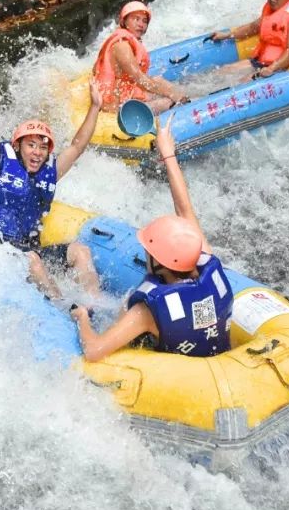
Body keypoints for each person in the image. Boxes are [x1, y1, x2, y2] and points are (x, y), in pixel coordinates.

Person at [70, 114, 233, 361]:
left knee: (118, 311)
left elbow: (93, 351)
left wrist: (82, 317)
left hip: (176, 379)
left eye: (149, 251)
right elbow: (185, 211)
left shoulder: (147, 310)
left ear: (160, 262)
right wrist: (168, 154)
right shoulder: (207, 265)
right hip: (217, 358)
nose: (145, 253)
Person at [0, 57, 102, 300]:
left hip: (29, 246)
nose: (37, 151)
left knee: (80, 251)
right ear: (18, 146)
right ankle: (63, 309)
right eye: (31, 145)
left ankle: (94, 306)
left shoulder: (49, 171)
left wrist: (95, 107)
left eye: (42, 147)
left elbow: (77, 146)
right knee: (33, 261)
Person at [92, 1, 188, 113]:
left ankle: (186, 100)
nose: (141, 24)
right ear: (124, 21)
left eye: (144, 21)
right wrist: (173, 94)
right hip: (112, 107)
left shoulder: (126, 40)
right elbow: (139, 79)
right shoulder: (121, 46)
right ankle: (187, 105)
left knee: (159, 81)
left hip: (124, 94)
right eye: (136, 19)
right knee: (167, 101)